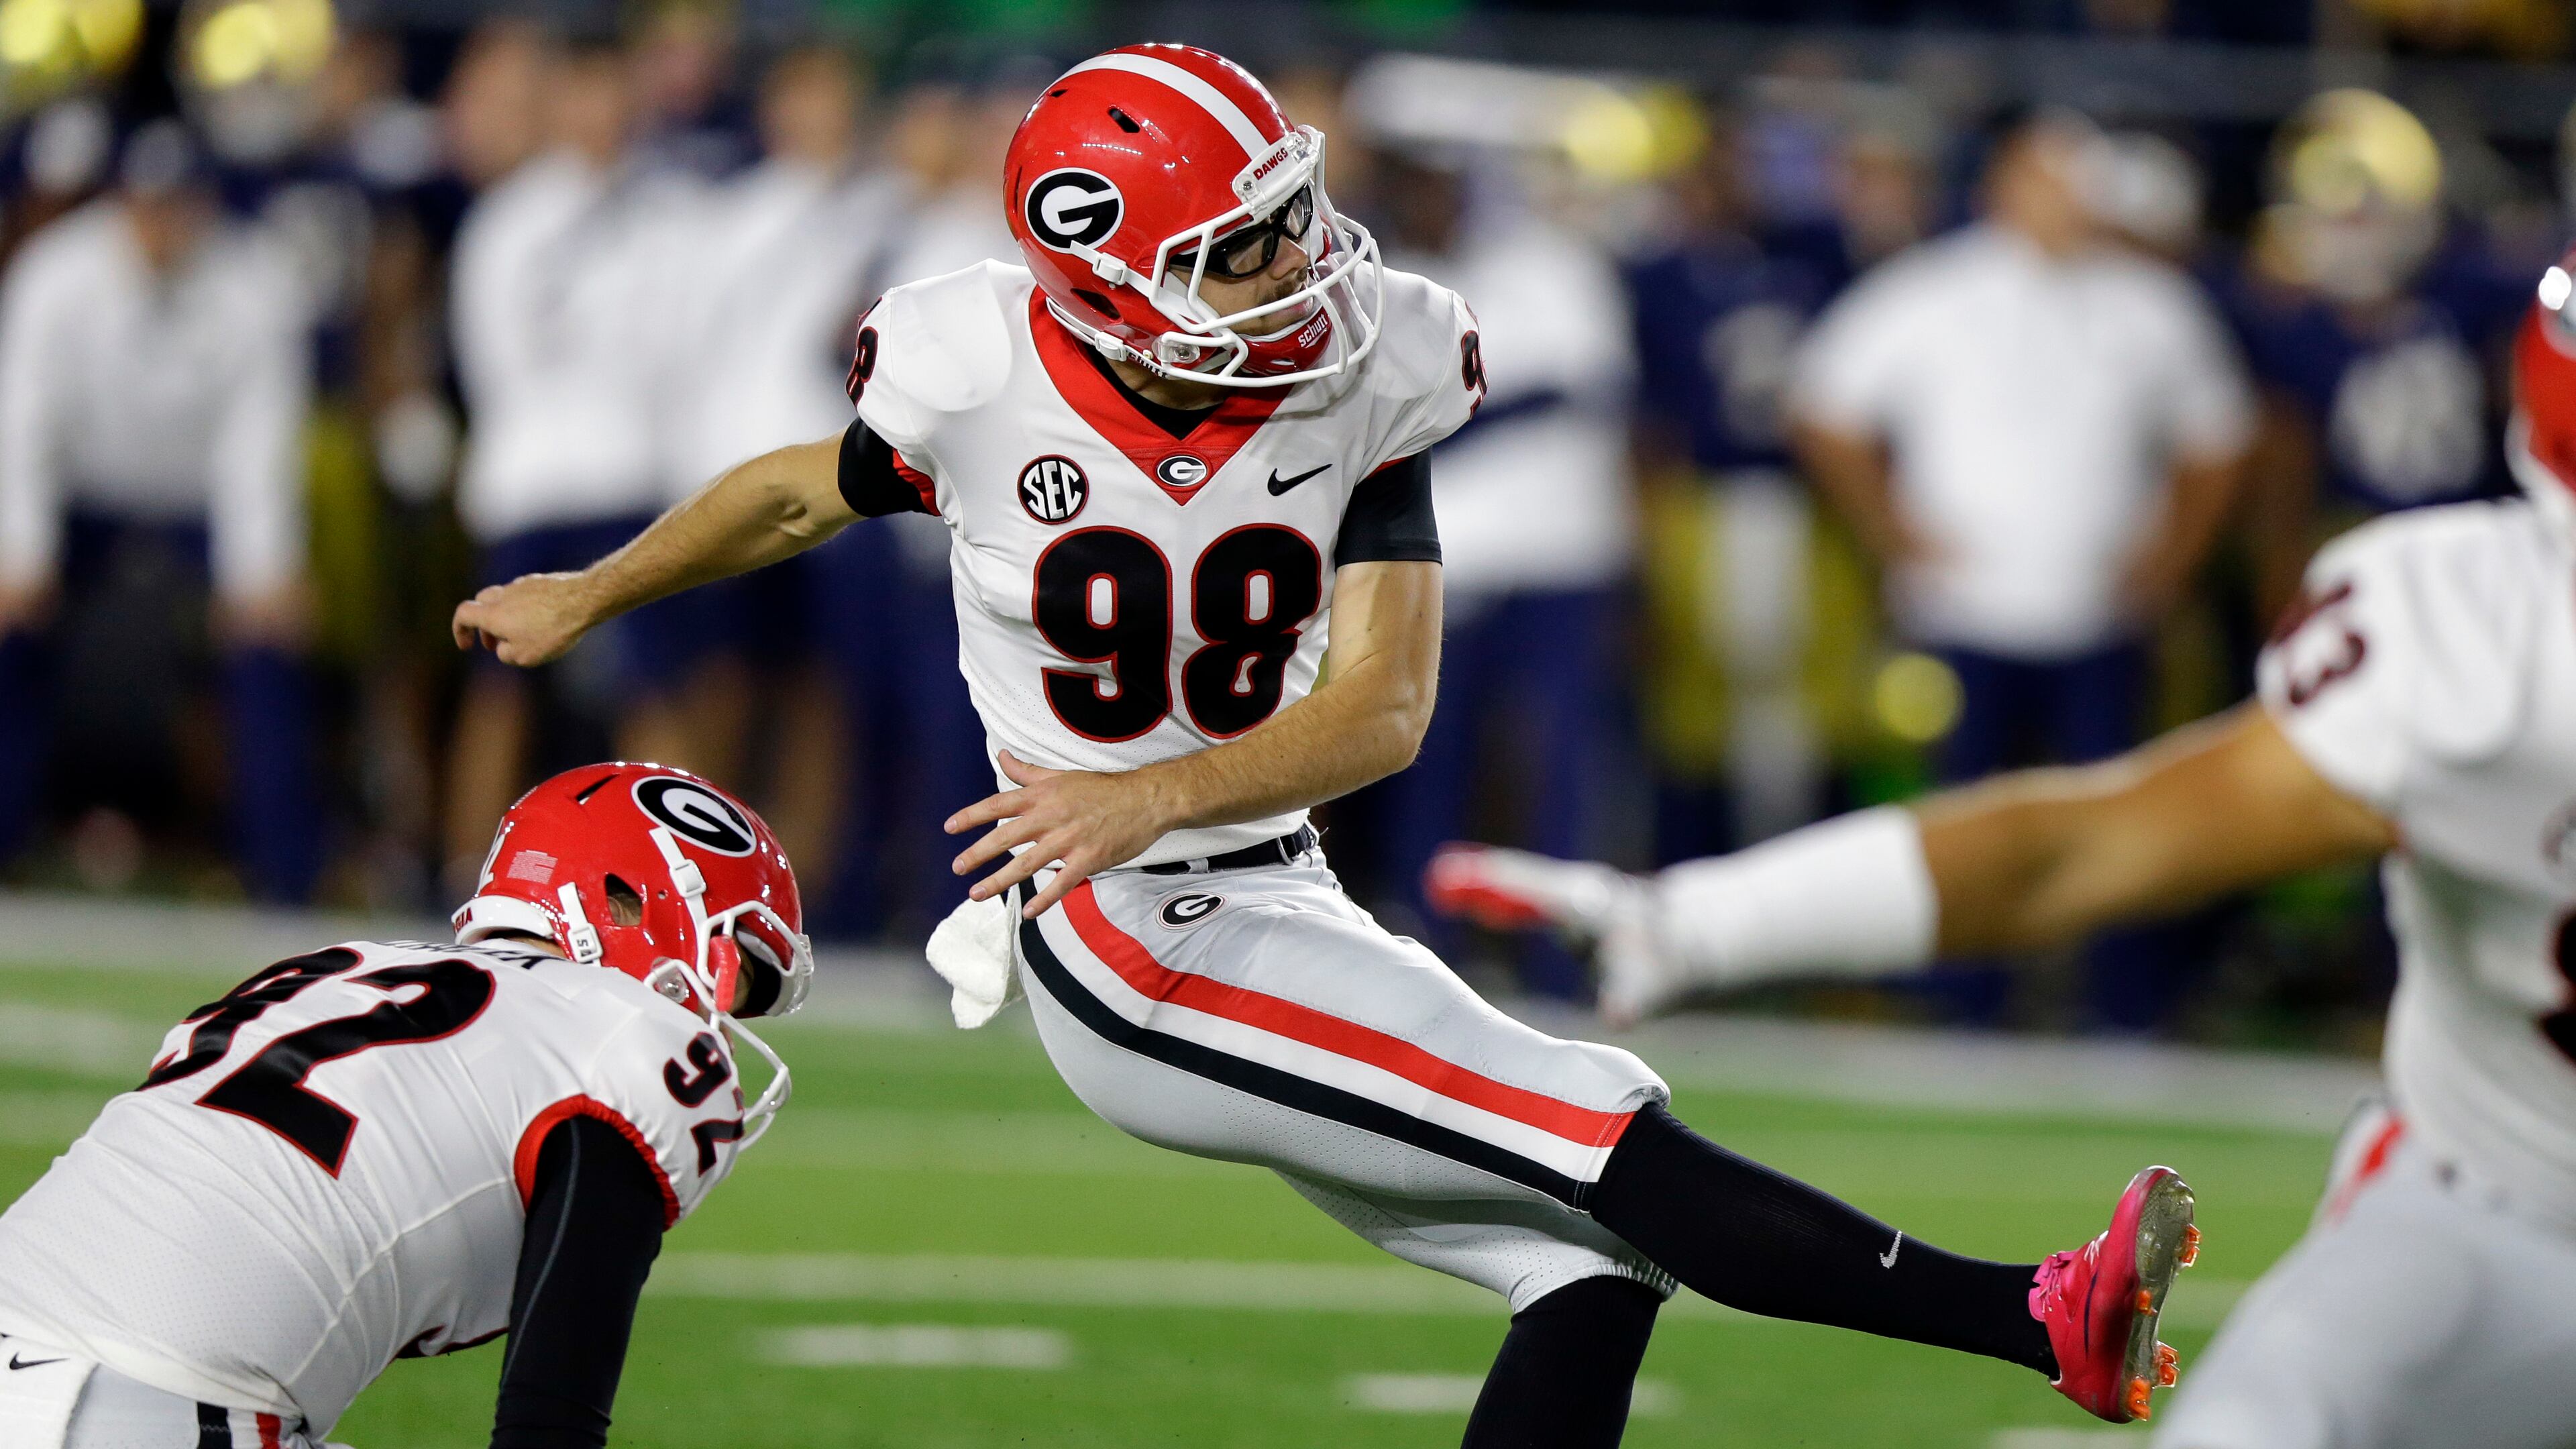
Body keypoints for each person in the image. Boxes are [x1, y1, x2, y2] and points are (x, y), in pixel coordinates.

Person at [453, 45, 2197, 1440]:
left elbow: (1383, 709)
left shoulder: (1377, 367)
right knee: (1596, 1126)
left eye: (1292, 214)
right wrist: (594, 592)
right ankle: (2040, 1319)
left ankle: (2027, 1322)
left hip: (1249, 875)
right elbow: (797, 495)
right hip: (1129, 942)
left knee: (1579, 1262)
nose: (1297, 266)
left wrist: (1150, 791)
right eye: (1238, 248)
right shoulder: (978, 368)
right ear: (1106, 280)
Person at [1428, 252, 2576, 1449]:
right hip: (2491, 1208)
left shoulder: (2482, 624)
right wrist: (1708, 923)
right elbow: (2091, 846)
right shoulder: (2482, 640)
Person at [0, 761, 810, 1448]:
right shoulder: (624, 1039)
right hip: (133, 1413)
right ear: (634, 903)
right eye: (735, 969)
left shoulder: (330, 966)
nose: (724, 1010)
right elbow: (550, 1420)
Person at [1790, 110, 2255, 1026]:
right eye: (2047, 181)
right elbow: (1825, 407)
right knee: (1963, 821)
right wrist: (1894, 533)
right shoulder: (1933, 291)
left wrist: (2168, 562)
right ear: (2002, 186)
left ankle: (2125, 1010)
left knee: (2121, 827)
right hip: (1963, 610)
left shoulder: (2148, 303)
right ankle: (1967, 1006)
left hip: (2101, 614)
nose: (2065, 203)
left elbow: (2220, 441)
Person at [0, 119, 320, 902]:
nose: (162, 225)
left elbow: (259, 444)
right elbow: (25, 425)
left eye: (178, 206)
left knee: (269, 641)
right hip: (83, 500)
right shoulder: (55, 275)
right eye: (148, 205)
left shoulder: (255, 284)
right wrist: (22, 551)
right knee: (10, 629)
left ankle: (283, 875)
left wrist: (261, 572)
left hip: (197, 505)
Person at [1348, 146, 1639, 997]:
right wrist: (1510, 404)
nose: (1434, 197)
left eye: (1449, 178)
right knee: (1417, 758)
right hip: (1436, 563)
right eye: (1418, 180)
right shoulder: (1373, 279)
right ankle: (1421, 952)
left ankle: (1564, 960)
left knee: (1560, 765)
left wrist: (1457, 419)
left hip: (1563, 557)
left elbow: (1595, 394)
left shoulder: (1553, 266)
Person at [441, 34, 698, 892]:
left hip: (628, 480)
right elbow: (493, 361)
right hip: (533, 482)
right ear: (557, 106)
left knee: (652, 688)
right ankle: (464, 877)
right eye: (582, 95)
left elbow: (677, 353)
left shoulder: (667, 217)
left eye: (611, 94)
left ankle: (693, 879)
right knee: (499, 690)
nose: (599, 114)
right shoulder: (511, 220)